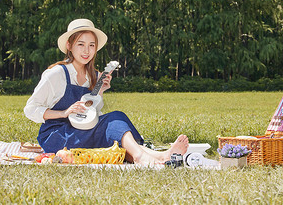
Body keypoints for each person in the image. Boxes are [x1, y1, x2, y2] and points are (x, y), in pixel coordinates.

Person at [24, 18, 188, 165]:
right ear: (69, 46)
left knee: (114, 130)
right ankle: (142, 157)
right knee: (114, 119)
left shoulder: (94, 76)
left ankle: (160, 156)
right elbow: (30, 109)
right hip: (57, 136)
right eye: (80, 44)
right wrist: (64, 113)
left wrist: (100, 91)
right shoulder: (56, 74)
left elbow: (90, 116)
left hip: (82, 132)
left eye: (91, 45)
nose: (86, 51)